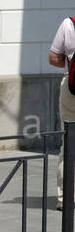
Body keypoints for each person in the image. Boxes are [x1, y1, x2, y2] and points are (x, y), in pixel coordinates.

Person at [48, 15, 75, 209]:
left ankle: (65, 199)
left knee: (69, 143)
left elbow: (53, 57)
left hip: (72, 87)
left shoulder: (69, 23)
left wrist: (71, 66)